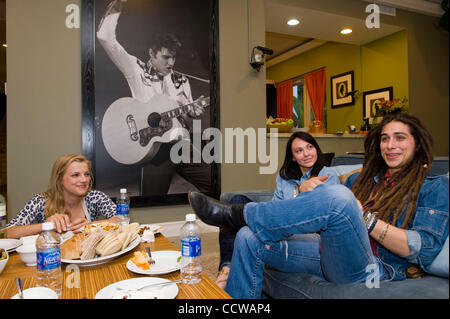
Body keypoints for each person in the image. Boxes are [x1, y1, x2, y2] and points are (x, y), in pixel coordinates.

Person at [189, 113, 449, 298]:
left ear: (418, 143)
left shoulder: (433, 186)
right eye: (384, 138)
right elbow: (329, 218)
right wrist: (304, 191)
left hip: (374, 268)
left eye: (400, 138)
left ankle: (237, 214)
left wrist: (366, 218)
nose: (390, 145)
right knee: (247, 237)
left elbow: (424, 251)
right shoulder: (364, 178)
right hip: (332, 252)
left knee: (340, 197)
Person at [97, 0, 209, 195]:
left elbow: (187, 115)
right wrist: (118, 6)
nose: (171, 62)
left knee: (214, 184)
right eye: (166, 57)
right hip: (154, 149)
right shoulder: (135, 69)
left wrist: (193, 112)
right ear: (151, 53)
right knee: (150, 201)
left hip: (181, 145)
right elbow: (105, 37)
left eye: (174, 57)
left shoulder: (181, 80)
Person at [215, 131, 340, 288]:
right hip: (279, 225)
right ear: (293, 157)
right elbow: (276, 207)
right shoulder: (284, 178)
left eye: (310, 147)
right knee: (237, 201)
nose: (307, 154)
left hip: (309, 233)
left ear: (316, 149)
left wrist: (302, 192)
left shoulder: (328, 175)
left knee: (245, 227)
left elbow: (323, 215)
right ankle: (226, 269)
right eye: (299, 151)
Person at [6, 154, 118, 239]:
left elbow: (122, 219)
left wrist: (91, 226)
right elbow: (7, 232)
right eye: (75, 175)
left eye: (86, 174)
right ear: (59, 180)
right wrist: (46, 226)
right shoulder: (40, 201)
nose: (84, 180)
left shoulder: (95, 197)